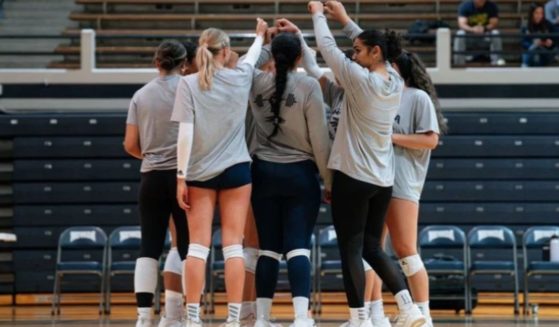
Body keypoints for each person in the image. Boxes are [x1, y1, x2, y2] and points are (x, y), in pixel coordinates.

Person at [305, 1, 426, 326]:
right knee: (373, 248)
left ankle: (359, 319)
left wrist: (318, 14)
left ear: (373, 53)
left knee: (351, 250)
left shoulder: (359, 81)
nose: (353, 54)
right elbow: (377, 48)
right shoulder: (395, 82)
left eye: (358, 50)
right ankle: (408, 307)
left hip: (353, 177)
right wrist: (345, 19)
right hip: (382, 181)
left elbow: (326, 47)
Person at [171, 19, 268, 327]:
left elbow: (185, 134)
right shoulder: (241, 77)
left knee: (197, 247)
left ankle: (193, 318)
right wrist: (259, 36)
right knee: (233, 247)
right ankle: (234, 319)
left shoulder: (187, 83)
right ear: (225, 51)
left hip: (199, 172)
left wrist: (180, 176)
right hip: (237, 170)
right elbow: (253, 56)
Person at [248, 30, 332, 327]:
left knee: (268, 248)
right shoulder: (309, 85)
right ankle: (300, 318)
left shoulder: (255, 80)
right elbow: (320, 140)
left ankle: (261, 319)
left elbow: (248, 64)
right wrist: (328, 180)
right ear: (299, 57)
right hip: (300, 174)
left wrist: (264, 41)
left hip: (261, 172)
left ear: (272, 56)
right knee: (298, 246)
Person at [366, 51, 446, 327]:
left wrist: (392, 138)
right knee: (373, 249)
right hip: (377, 178)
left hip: (403, 182)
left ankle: (423, 315)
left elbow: (430, 140)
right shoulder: (381, 97)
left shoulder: (417, 97)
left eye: (390, 65)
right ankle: (375, 315)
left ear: (401, 68)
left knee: (406, 251)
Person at [124, 40, 190, 327]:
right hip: (183, 177)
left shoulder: (140, 95)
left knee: (149, 247)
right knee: (187, 247)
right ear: (184, 63)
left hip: (150, 177)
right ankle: (188, 313)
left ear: (156, 63)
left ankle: (143, 317)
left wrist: (151, 155)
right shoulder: (190, 90)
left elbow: (129, 144)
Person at [157, 40, 199, 327]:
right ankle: (190, 315)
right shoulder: (193, 87)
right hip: (191, 172)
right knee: (193, 247)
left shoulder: (153, 91)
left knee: (176, 246)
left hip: (163, 169)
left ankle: (172, 314)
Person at [453, 0, 506, 66]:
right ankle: (459, 63)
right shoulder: (465, 5)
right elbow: (461, 24)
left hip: (485, 36)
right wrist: (472, 29)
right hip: (470, 36)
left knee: (495, 33)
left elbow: (494, 23)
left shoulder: (491, 6)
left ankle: (497, 61)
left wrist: (484, 28)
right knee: (460, 34)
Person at [521, 3, 556, 67]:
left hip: (545, 52)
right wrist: (533, 44)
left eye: (541, 13)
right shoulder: (526, 25)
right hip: (531, 52)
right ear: (532, 14)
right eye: (536, 13)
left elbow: (555, 38)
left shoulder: (548, 24)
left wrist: (551, 42)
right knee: (533, 52)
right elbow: (524, 42)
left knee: (539, 53)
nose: (539, 16)